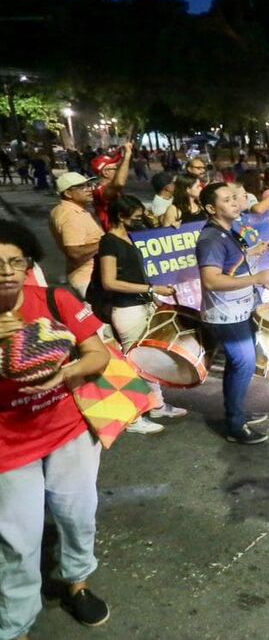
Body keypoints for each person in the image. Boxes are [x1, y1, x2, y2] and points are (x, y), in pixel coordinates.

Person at [0, 222, 113, 637]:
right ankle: (15, 621)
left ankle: (77, 582)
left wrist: (64, 374)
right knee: (18, 539)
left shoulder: (54, 298)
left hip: (67, 429)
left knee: (76, 513)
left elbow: (97, 355)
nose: (8, 271)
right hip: (7, 444)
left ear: (29, 264)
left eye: (16, 261)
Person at [85, 195, 187, 435]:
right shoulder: (109, 242)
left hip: (141, 305)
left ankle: (157, 405)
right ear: (121, 216)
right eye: (137, 216)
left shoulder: (130, 237)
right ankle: (133, 417)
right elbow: (110, 282)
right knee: (134, 363)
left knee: (148, 357)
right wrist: (152, 289)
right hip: (126, 309)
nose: (141, 220)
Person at [196, 183, 269, 444]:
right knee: (243, 363)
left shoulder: (229, 230)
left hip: (241, 308)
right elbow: (211, 280)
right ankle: (235, 425)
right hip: (225, 314)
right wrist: (257, 278)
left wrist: (262, 276)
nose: (235, 202)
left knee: (240, 364)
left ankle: (238, 411)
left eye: (235, 197)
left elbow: (236, 265)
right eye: (227, 199)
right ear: (211, 208)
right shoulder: (211, 239)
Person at [48, 172, 104, 297]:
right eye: (81, 187)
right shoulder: (70, 215)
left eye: (89, 185)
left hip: (92, 277)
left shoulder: (70, 210)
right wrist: (107, 241)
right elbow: (75, 253)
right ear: (68, 193)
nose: (89, 189)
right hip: (89, 278)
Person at [90, 144, 133, 231]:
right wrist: (127, 156)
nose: (119, 170)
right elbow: (120, 183)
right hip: (111, 233)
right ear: (105, 173)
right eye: (116, 168)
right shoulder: (100, 190)